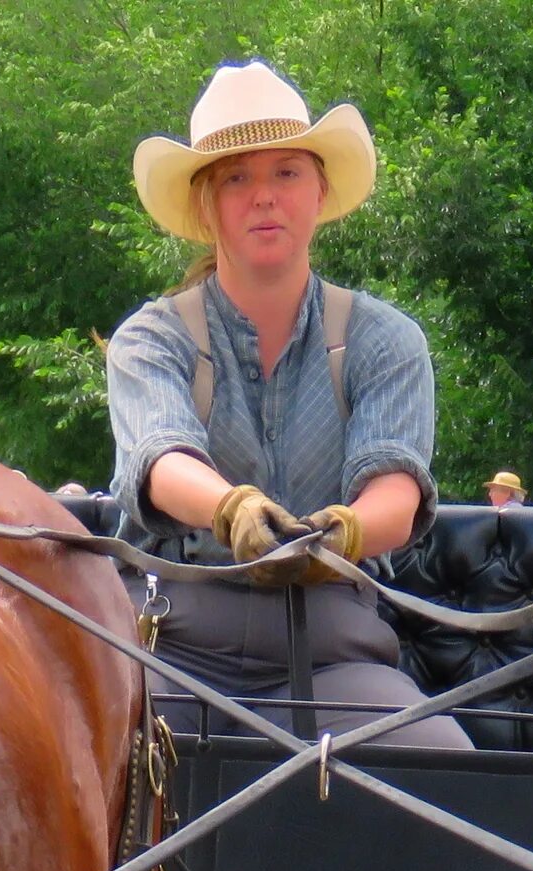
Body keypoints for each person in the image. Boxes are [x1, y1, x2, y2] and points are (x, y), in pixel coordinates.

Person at [106, 61, 469, 750]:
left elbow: (393, 483)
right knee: (94, 767)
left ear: (319, 190)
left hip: (335, 651)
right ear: (206, 205)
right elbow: (160, 456)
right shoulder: (150, 339)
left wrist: (342, 532)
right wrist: (231, 510)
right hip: (173, 652)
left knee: (443, 765)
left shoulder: (385, 340)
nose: (263, 196)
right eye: (236, 178)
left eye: (286, 173)